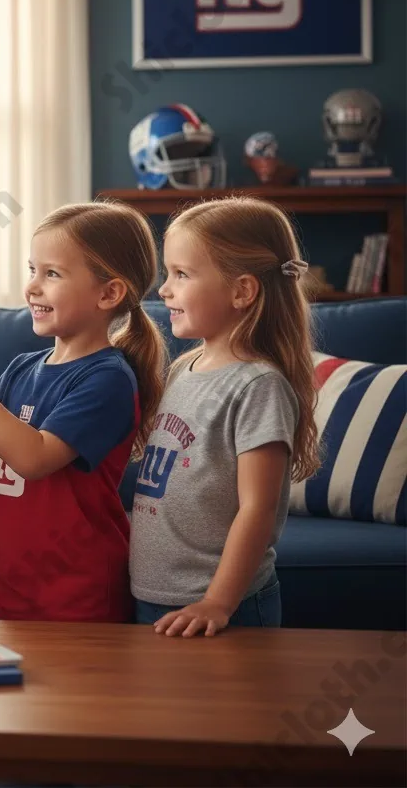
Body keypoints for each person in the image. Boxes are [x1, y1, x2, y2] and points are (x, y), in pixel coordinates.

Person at [0, 201, 166, 624]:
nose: (32, 287)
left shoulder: (108, 380)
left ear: (109, 293)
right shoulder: (21, 369)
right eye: (33, 269)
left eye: (52, 274)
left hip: (74, 602)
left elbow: (34, 459)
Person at [129, 197, 321, 636]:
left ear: (242, 291)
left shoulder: (258, 386)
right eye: (166, 273)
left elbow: (258, 507)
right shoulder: (183, 367)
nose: (164, 289)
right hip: (155, 595)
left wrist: (217, 601)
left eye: (181, 274)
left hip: (222, 608)